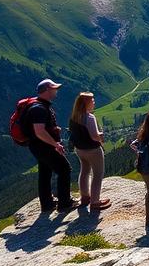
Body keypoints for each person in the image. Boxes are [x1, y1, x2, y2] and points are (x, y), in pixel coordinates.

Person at [24, 79, 77, 213]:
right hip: (44, 146)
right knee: (64, 169)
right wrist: (55, 144)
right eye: (54, 89)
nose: (56, 91)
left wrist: (54, 129)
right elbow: (39, 131)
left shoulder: (40, 105)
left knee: (45, 172)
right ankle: (64, 203)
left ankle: (47, 204)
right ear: (47, 90)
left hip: (38, 146)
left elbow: (42, 128)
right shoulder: (39, 108)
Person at [68, 92, 110, 213]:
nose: (94, 103)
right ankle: (95, 202)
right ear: (86, 103)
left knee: (84, 171)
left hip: (80, 149)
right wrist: (101, 135)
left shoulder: (75, 117)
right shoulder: (90, 118)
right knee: (98, 174)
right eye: (92, 101)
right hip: (93, 150)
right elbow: (94, 136)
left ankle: (85, 197)